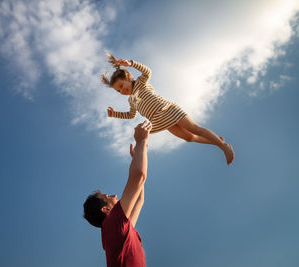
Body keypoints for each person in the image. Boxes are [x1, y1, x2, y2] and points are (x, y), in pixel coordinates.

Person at [101, 53, 235, 165]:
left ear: (129, 78)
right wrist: (115, 114)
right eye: (118, 91)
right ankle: (218, 142)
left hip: (169, 110)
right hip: (160, 120)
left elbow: (147, 71)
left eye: (122, 85)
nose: (122, 91)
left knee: (194, 128)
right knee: (188, 137)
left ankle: (224, 147)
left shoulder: (141, 83)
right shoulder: (131, 100)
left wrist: (131, 63)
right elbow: (131, 114)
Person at [83, 121, 152, 267]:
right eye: (108, 197)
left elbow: (139, 199)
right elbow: (139, 176)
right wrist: (141, 142)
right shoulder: (113, 224)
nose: (114, 195)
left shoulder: (118, 228)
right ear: (106, 210)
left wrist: (137, 157)